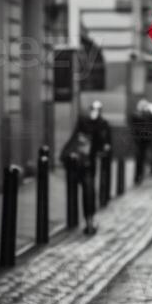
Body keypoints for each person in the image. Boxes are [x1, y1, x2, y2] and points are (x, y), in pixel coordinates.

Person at [61, 99, 112, 235]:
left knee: (87, 192)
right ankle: (87, 221)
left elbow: (102, 144)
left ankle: (84, 221)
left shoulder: (90, 122)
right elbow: (103, 145)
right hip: (84, 163)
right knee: (88, 192)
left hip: (79, 162)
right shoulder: (99, 124)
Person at [130, 97, 152, 183]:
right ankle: (139, 175)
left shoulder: (148, 115)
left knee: (143, 157)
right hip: (140, 140)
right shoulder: (137, 115)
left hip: (146, 140)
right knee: (140, 158)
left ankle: (141, 174)